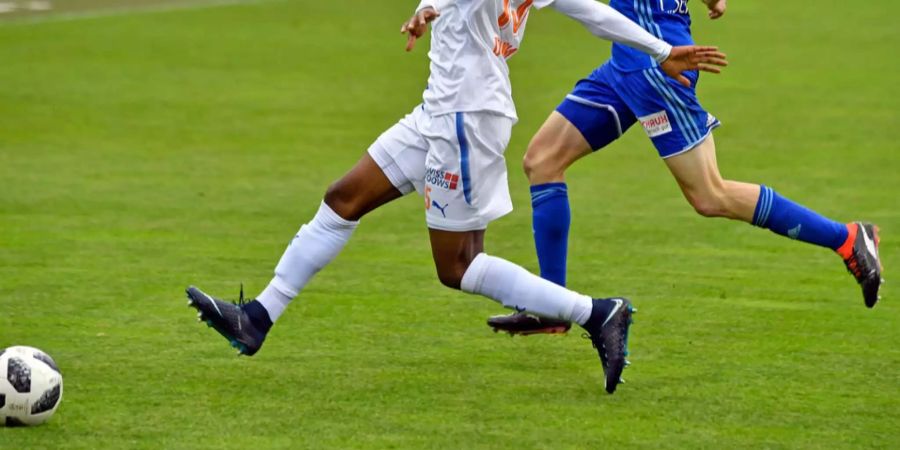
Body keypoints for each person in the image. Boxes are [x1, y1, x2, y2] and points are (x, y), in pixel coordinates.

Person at [185, 0, 727, 394]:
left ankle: (597, 313)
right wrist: (661, 48)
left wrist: (428, 7)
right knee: (343, 198)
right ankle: (257, 317)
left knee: (458, 267)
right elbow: (588, 10)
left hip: (467, 120)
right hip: (438, 111)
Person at [487, 0, 882, 336]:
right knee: (542, 160)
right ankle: (554, 304)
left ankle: (847, 238)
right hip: (626, 63)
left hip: (657, 70)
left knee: (710, 195)